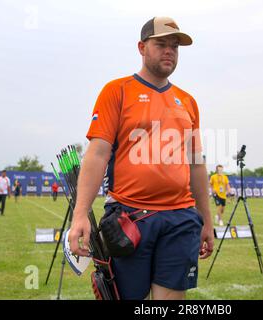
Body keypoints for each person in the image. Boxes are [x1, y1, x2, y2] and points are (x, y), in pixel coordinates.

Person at [68, 17, 213, 300]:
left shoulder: (188, 101)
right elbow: (97, 155)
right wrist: (80, 215)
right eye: (161, 44)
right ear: (141, 47)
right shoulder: (117, 91)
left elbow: (196, 164)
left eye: (174, 46)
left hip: (181, 217)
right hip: (130, 218)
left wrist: (206, 220)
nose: (169, 50)